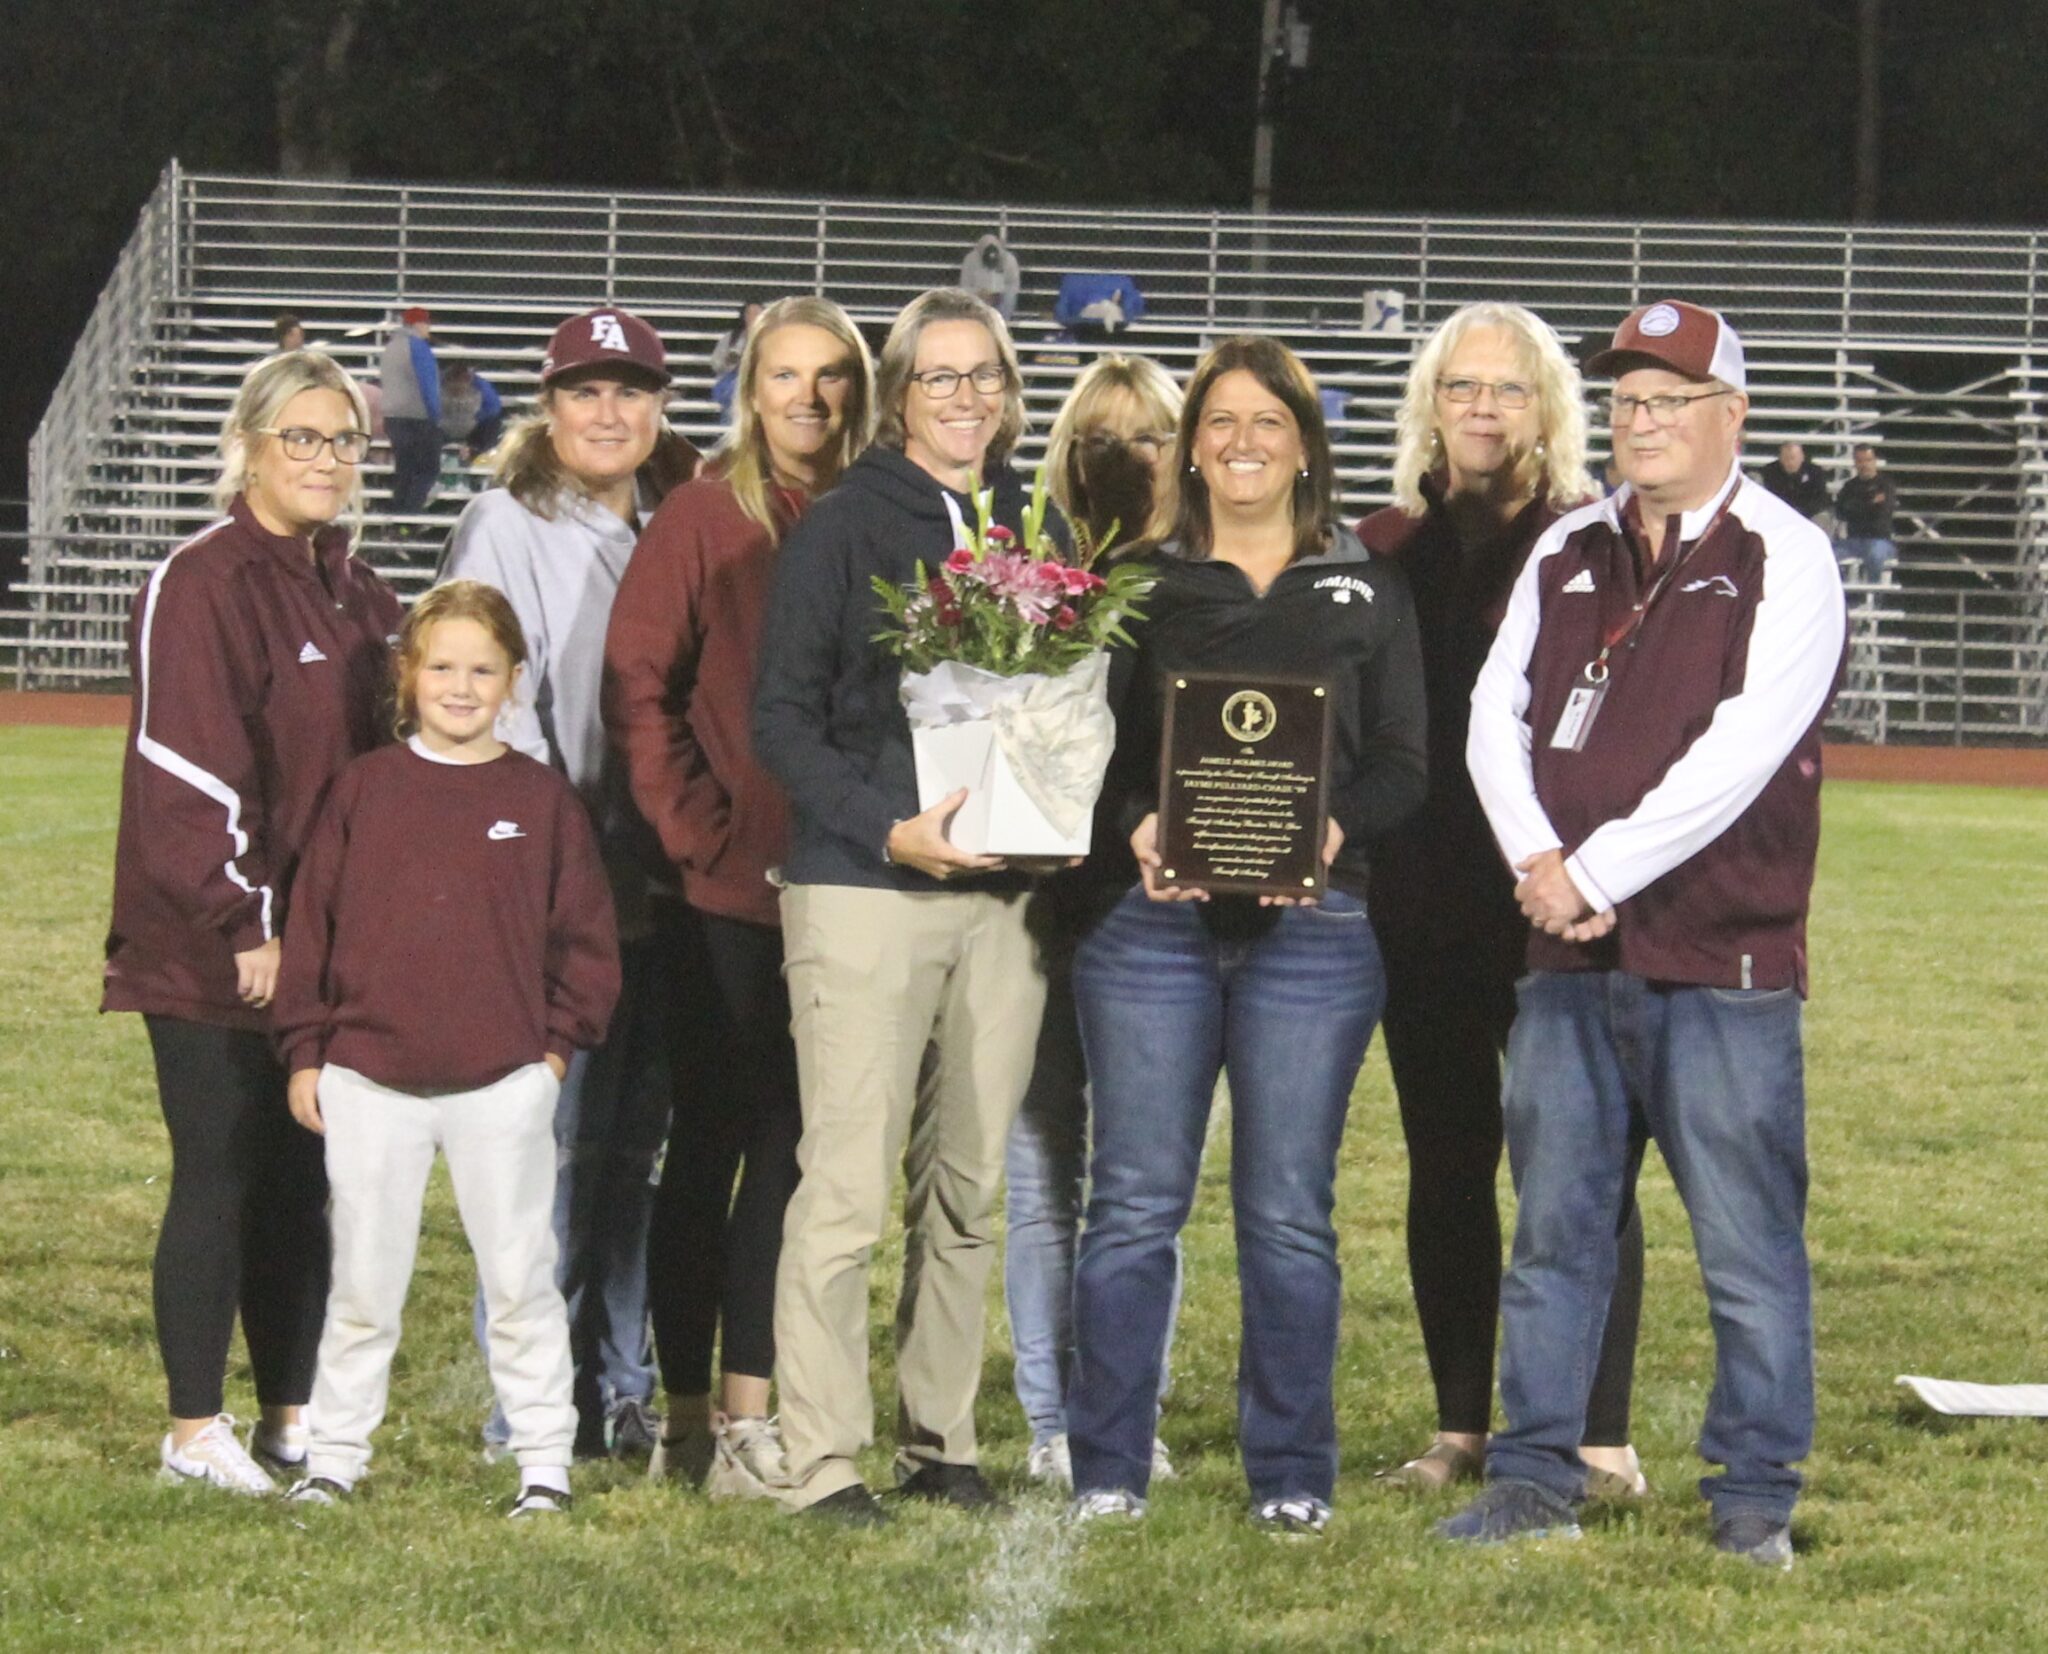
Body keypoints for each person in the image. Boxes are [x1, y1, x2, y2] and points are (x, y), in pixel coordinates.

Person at [1440, 300, 1844, 1568]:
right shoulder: (1567, 541)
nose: (1642, 422)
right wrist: (1535, 862)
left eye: (1671, 400)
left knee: (1744, 1243)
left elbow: (1738, 754)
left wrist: (1593, 869)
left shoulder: (1788, 554)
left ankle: (1752, 1498)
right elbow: (1486, 713)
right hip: (1567, 956)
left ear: (1733, 415)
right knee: (1554, 1231)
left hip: (1717, 955)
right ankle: (1529, 1477)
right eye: (1625, 400)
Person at [1065, 336, 1427, 1535]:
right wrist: (1135, 826)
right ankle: (1108, 1461)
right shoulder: (1142, 587)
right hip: (1150, 933)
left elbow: (1402, 767)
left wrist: (1325, 833)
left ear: (1304, 442)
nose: (1240, 444)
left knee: (1284, 1210)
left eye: (1265, 422)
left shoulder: (1366, 586)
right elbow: (1092, 760)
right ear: (1188, 445)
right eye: (1217, 422)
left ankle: (1288, 1469)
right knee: (1131, 1202)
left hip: (1315, 934)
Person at [751, 287, 1053, 1525]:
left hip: (1001, 900)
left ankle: (942, 1437)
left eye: (985, 374)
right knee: (845, 1186)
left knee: (968, 1183)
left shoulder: (1034, 523)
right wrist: (888, 825)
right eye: (940, 377)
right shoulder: (840, 525)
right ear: (897, 394)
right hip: (867, 890)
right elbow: (779, 718)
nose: (967, 397)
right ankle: (822, 1457)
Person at [1358, 302, 1647, 1498]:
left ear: (1549, 411)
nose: (1482, 407)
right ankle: (1462, 1421)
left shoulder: (1593, 543)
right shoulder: (1378, 549)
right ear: (1429, 401)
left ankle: (1598, 1431)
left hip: (1551, 909)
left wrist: (1585, 874)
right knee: (1445, 1161)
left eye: (1508, 389)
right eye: (1461, 386)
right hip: (1417, 905)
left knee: (1576, 1171)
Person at [102, 350, 400, 1494]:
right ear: (251, 444)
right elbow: (187, 781)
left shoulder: (361, 591)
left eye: (342, 441)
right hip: (213, 948)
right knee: (219, 1168)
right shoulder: (203, 579)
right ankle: (191, 1429)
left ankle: (289, 1416)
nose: (324, 460)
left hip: (316, 955)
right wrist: (249, 927)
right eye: (302, 438)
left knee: (302, 1180)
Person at [604, 296, 875, 1499]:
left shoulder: (880, 515)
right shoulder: (704, 514)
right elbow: (638, 686)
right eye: (783, 375)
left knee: (797, 1145)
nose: (806, 398)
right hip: (729, 891)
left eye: (827, 377)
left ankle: (750, 1410)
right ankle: (691, 1411)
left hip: (853, 879)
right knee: (721, 1135)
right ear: (749, 389)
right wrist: (696, 832)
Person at [274, 581, 621, 1516]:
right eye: (441, 667)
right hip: (367, 1081)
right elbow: (311, 928)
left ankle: (543, 1458)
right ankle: (335, 1455)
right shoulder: (364, 790)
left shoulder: (541, 802)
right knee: (362, 1281)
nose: (460, 687)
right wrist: (308, 1050)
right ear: (407, 674)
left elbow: (586, 944)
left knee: (518, 1279)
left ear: (514, 680)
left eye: (482, 670)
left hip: (500, 1083)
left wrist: (549, 1054)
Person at [440, 304, 699, 1461]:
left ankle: (620, 1381)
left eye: (630, 390)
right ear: (547, 409)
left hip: (666, 875)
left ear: (659, 407)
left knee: (631, 1147)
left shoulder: (682, 520)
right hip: (562, 880)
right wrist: (568, 870)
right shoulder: (503, 519)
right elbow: (495, 702)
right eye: (585, 390)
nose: (609, 411)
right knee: (546, 1151)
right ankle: (528, 1407)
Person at [1001, 353, 1185, 1489]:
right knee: (1037, 1168)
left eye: (1147, 438)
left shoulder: (1215, 578)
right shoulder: (1020, 581)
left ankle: (1123, 1410)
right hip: (1029, 907)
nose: (1123, 460)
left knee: (1139, 1181)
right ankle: (1043, 1412)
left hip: (1154, 914)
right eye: (1097, 441)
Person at [379, 306, 442, 515]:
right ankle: (410, 516)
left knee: (404, 470)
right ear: (417, 324)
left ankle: (396, 516)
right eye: (427, 323)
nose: (429, 328)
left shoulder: (391, 347)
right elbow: (427, 384)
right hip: (417, 416)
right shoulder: (418, 347)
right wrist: (435, 416)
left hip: (392, 417)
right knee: (427, 469)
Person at [1835, 443, 1899, 583]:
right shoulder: (1850, 486)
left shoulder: (1886, 485)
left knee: (1875, 555)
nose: (1864, 465)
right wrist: (1870, 502)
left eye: (1868, 460)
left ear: (1875, 461)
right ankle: (1843, 596)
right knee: (1827, 554)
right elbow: (1840, 512)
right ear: (1855, 463)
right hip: (1853, 541)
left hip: (1880, 540)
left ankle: (1873, 599)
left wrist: (1855, 506)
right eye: (1860, 461)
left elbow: (1883, 513)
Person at [709, 300, 767, 421]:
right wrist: (729, 361)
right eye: (749, 313)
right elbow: (715, 363)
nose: (753, 317)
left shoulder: (771, 337)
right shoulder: (731, 338)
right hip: (734, 386)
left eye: (757, 313)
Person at [438, 356, 505, 459]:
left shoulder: (481, 386)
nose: (458, 388)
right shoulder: (436, 382)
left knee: (493, 422)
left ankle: (478, 450)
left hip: (472, 427)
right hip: (443, 426)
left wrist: (477, 417)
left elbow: (494, 408)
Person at [1755, 440, 1829, 522]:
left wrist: (1801, 512)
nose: (1790, 462)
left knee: (1822, 518)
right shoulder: (1769, 472)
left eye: (1793, 458)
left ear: (1802, 457)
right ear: (1780, 458)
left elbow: (1821, 499)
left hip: (1808, 516)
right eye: (1786, 458)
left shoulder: (1815, 472)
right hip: (1777, 516)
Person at [961, 234, 1022, 322]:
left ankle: (1002, 322)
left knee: (1010, 297)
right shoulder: (970, 260)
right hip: (977, 298)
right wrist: (978, 294)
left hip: (1001, 299)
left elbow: (1014, 285)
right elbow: (964, 286)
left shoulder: (1009, 260)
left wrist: (999, 293)